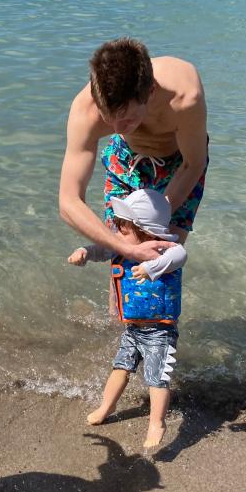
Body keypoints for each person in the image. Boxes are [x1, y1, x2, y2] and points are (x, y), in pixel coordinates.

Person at [58, 37, 208, 257]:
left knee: (163, 256)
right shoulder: (85, 111)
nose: (117, 129)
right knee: (122, 259)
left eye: (127, 119)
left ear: (150, 92)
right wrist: (125, 248)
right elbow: (68, 201)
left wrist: (152, 224)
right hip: (126, 158)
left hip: (181, 163)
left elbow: (193, 163)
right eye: (108, 119)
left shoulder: (185, 98)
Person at [68, 189, 186, 456]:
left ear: (146, 230)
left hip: (160, 331)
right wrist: (84, 252)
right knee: (120, 368)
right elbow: (102, 249)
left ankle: (157, 423)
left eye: (122, 227)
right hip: (133, 329)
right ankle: (106, 408)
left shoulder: (165, 251)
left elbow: (180, 256)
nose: (117, 232)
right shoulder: (123, 246)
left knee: (156, 379)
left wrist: (151, 267)